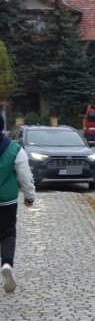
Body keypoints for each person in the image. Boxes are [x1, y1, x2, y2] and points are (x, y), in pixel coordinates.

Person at [0, 115, 37, 293]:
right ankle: (7, 263)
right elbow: (25, 176)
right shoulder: (14, 148)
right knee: (8, 233)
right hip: (6, 200)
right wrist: (29, 197)